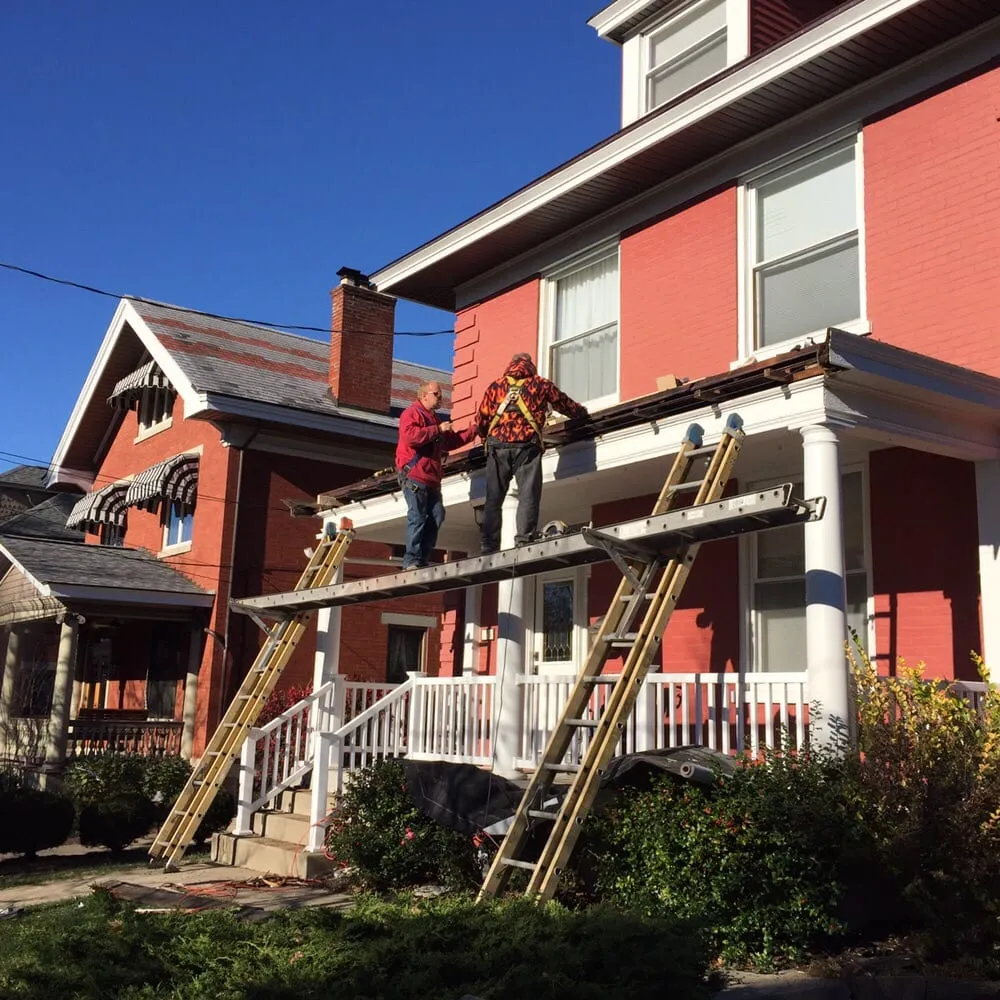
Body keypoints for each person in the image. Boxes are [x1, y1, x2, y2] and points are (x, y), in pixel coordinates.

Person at [476, 353, 589, 554]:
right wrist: (581, 413)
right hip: (526, 446)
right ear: (531, 366)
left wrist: (486, 437)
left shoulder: (495, 386)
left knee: (494, 498)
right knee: (528, 495)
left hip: (497, 447)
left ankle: (488, 544)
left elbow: (482, 418)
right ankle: (524, 540)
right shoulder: (540, 384)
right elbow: (564, 404)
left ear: (510, 365)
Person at [396, 381, 478, 570]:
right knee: (417, 517)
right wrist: (438, 430)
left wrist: (474, 431)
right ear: (424, 395)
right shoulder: (412, 414)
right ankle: (411, 560)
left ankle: (421, 559)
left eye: (440, 394)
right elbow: (411, 437)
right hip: (415, 475)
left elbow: (450, 442)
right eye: (436, 394)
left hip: (431, 478)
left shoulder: (433, 419)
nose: (440, 398)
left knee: (437, 515)